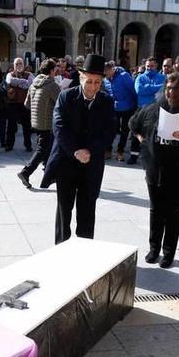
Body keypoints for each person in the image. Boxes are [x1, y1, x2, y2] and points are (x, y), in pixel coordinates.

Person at [130, 73, 179, 268]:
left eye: (177, 88)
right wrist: (140, 137)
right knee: (155, 211)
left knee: (172, 212)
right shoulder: (154, 108)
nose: (172, 92)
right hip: (155, 168)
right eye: (170, 87)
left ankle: (169, 252)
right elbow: (134, 123)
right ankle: (154, 248)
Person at [41, 54, 115, 244]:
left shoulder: (106, 102)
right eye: (89, 81)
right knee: (64, 210)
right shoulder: (66, 96)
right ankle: (61, 250)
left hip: (92, 165)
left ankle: (85, 251)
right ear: (81, 78)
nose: (92, 87)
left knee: (87, 211)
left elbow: (109, 132)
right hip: (67, 162)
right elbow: (58, 126)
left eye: (97, 82)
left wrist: (89, 151)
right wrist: (75, 151)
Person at [18, 59, 61, 188]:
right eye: (55, 70)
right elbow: (61, 101)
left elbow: (27, 104)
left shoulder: (33, 83)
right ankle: (26, 172)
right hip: (47, 122)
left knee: (46, 148)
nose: (56, 73)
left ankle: (50, 176)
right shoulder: (51, 84)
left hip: (36, 121)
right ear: (52, 71)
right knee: (42, 149)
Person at [132, 58, 166, 165]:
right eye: (147, 66)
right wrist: (156, 88)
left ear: (156, 66)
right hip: (141, 109)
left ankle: (151, 156)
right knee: (137, 132)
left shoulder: (163, 77)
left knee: (154, 134)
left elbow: (164, 90)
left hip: (156, 110)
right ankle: (134, 155)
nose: (149, 68)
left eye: (152, 66)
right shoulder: (140, 77)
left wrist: (147, 87)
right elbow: (139, 90)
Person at [106, 60, 137, 162]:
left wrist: (135, 105)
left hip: (127, 107)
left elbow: (133, 90)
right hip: (114, 108)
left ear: (111, 69)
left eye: (106, 72)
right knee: (111, 129)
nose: (104, 74)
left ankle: (120, 151)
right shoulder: (106, 80)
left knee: (125, 130)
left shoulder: (124, 76)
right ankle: (108, 150)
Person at [5, 57, 34, 152]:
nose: (18, 66)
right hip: (13, 103)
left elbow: (30, 84)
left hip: (25, 104)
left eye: (20, 63)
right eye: (16, 64)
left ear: (24, 65)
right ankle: (9, 145)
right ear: (13, 66)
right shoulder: (10, 74)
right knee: (11, 126)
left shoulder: (29, 74)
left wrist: (17, 83)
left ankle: (28, 145)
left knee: (27, 126)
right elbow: (10, 81)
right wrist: (23, 83)